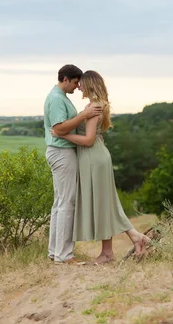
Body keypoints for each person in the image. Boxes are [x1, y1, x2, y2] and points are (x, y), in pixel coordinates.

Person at [51, 70, 150, 264]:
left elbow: (88, 140)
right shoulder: (97, 105)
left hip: (93, 158)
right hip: (95, 156)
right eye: (77, 83)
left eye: (81, 83)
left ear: (89, 84)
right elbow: (94, 136)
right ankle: (115, 248)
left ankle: (113, 250)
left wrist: (62, 135)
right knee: (105, 203)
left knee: (104, 203)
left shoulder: (94, 106)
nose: (78, 86)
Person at [44, 64, 102, 264]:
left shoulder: (60, 98)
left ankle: (55, 252)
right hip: (62, 152)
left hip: (61, 152)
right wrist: (84, 116)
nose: (78, 87)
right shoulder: (57, 99)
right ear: (66, 79)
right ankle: (64, 255)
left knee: (60, 203)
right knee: (67, 203)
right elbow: (59, 129)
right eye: (76, 82)